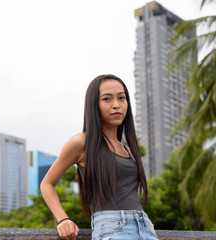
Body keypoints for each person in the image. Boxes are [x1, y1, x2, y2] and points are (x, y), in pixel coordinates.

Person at [40, 74, 159, 240]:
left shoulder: (129, 149)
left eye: (121, 98)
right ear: (94, 105)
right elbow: (47, 183)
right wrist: (63, 219)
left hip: (144, 227)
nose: (116, 105)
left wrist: (140, 218)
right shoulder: (82, 142)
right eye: (107, 99)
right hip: (112, 229)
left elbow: (127, 193)